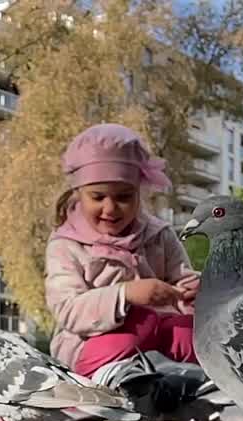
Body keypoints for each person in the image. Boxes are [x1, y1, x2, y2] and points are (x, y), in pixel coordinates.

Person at [44, 123, 201, 387]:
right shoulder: (65, 245)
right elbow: (67, 310)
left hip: (158, 336)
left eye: (124, 197)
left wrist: (194, 291)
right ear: (78, 194)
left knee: (191, 334)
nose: (110, 208)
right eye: (98, 197)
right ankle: (107, 389)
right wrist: (125, 294)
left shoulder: (160, 234)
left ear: (139, 193)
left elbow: (182, 281)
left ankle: (188, 384)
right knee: (132, 333)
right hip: (92, 346)